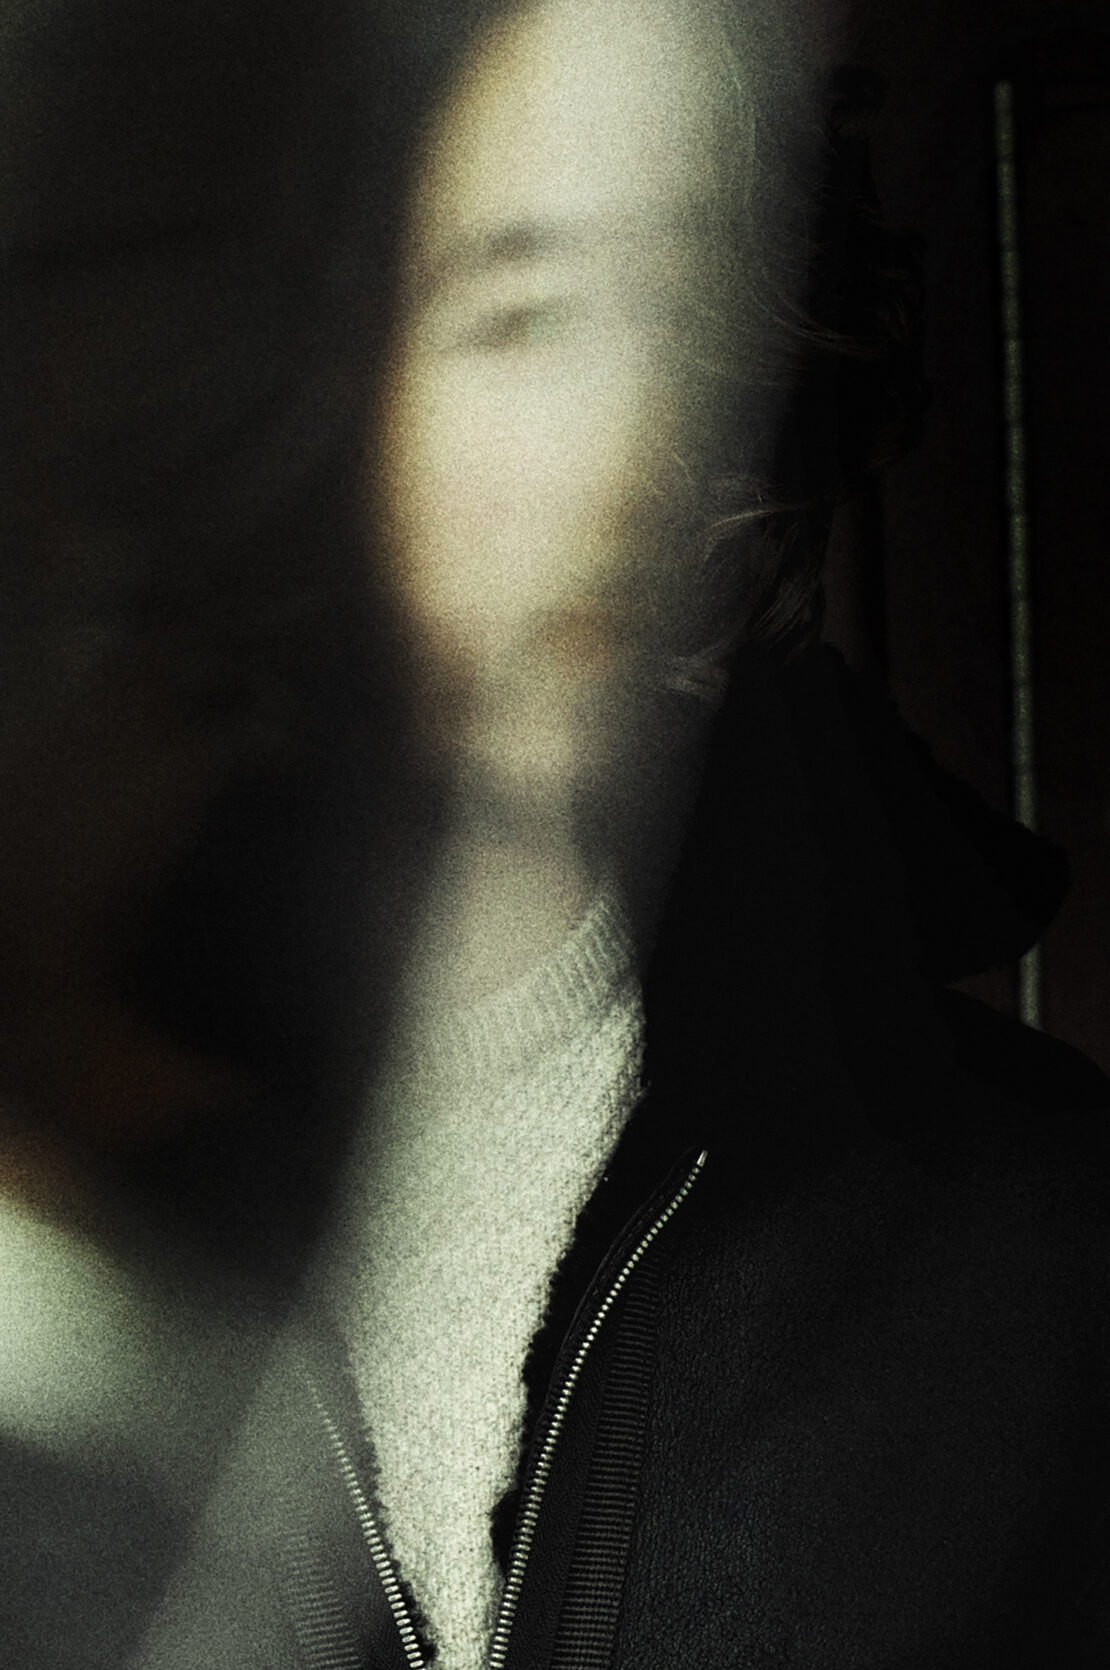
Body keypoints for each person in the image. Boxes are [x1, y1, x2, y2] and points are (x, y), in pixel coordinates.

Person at [4, 0, 1108, 1666]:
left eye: (536, 309)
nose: (375, 450)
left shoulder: (1036, 1255)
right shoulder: (60, 1215)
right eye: (309, 311)